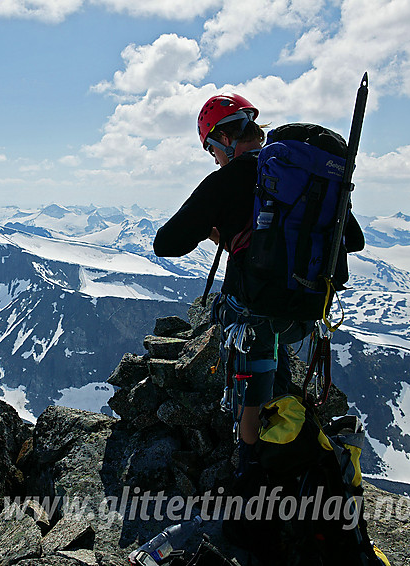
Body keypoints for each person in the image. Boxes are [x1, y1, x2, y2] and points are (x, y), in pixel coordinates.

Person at [153, 94, 365, 479]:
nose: (214, 158)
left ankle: (253, 477)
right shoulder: (295, 177)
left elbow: (166, 243)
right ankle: (289, 430)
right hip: (307, 311)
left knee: (237, 328)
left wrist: (217, 229)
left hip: (253, 313)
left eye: (211, 150)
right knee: (276, 364)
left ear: (222, 140)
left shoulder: (228, 179)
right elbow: (355, 240)